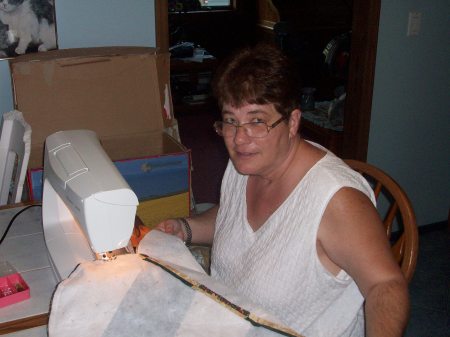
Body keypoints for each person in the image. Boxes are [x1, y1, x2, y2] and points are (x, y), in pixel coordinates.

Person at [156, 43, 409, 337]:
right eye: (230, 121)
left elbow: (385, 285)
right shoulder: (245, 165)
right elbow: (232, 218)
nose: (239, 139)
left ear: (292, 122)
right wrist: (185, 229)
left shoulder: (336, 199)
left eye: (257, 121)